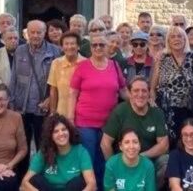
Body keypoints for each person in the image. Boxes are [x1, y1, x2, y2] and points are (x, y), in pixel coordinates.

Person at [70, 33, 128, 187]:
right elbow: (73, 93)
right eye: (94, 45)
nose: (98, 48)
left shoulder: (114, 66)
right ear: (90, 48)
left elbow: (123, 91)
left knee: (105, 159)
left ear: (107, 46)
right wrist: (70, 118)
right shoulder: (82, 67)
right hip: (85, 122)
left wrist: (139, 103)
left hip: (109, 123)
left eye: (101, 45)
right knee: (88, 159)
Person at [9, 20, 61, 178]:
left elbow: (58, 81)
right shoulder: (20, 50)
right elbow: (14, 78)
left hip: (42, 108)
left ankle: (41, 178)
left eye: (39, 32)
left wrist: (50, 100)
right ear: (27, 33)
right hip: (21, 107)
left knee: (43, 144)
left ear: (44, 33)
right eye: (32, 32)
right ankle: (21, 178)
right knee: (21, 144)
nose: (36, 35)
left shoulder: (55, 51)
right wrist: (11, 102)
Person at [101, 77, 169, 188]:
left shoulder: (157, 113)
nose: (140, 94)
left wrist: (140, 157)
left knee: (165, 161)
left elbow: (164, 145)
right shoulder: (120, 111)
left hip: (148, 162)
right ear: (129, 93)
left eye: (144, 91)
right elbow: (105, 143)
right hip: (124, 161)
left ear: (149, 93)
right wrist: (115, 166)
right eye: (136, 91)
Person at [150, 25, 193, 146]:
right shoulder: (162, 58)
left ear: (185, 39)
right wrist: (153, 103)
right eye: (172, 36)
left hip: (188, 109)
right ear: (168, 41)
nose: (176, 39)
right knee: (170, 143)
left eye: (180, 36)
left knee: (188, 141)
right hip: (166, 110)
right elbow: (153, 87)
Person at [21, 114, 96, 191]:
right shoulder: (44, 152)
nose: (61, 134)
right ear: (50, 136)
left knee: (78, 182)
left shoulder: (80, 152)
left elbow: (92, 184)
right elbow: (24, 184)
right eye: (56, 131)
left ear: (69, 131)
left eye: (64, 129)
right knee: (35, 180)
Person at [48, 31, 85, 118]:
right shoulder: (56, 63)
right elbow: (53, 90)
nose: (69, 47)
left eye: (72, 44)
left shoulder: (86, 63)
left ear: (78, 46)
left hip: (82, 114)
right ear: (61, 47)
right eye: (66, 44)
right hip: (62, 114)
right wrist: (53, 113)